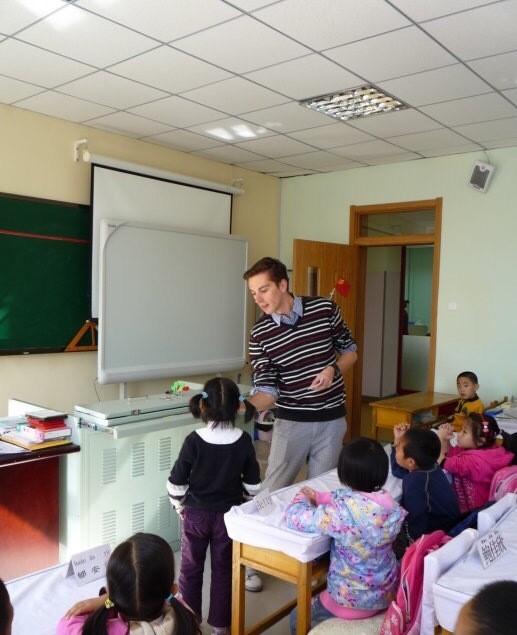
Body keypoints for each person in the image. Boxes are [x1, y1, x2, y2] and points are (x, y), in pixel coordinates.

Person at [243, 257, 357, 492]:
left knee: (321, 492)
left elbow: (350, 352)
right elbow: (268, 391)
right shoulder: (259, 334)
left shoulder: (325, 309)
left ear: (283, 285)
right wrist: (243, 407)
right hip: (291, 422)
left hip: (331, 420)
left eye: (263, 290)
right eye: (253, 293)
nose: (258, 299)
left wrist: (333, 369)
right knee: (272, 491)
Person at [167, 377, 260, 635]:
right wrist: (243, 507)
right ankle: (220, 627)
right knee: (223, 571)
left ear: (203, 406)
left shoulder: (193, 440)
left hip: (195, 515)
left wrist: (180, 508)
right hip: (228, 518)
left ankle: (189, 624)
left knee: (190, 569)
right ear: (238, 407)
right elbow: (253, 486)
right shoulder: (243, 440)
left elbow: (176, 483)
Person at [285, 438, 406, 633]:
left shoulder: (343, 514)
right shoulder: (389, 504)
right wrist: (321, 497)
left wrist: (302, 498)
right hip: (385, 592)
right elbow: (350, 498)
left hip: (350, 600)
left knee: (296, 617)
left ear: (344, 475)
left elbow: (297, 518)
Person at [57, 532, 201, 635]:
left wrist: (105, 601)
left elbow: (65, 624)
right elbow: (177, 602)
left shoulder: (108, 630)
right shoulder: (186, 620)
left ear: (112, 592)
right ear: (173, 589)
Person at [391, 425, 459, 550]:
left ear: (411, 462)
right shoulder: (431, 465)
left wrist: (412, 544)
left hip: (436, 537)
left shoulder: (415, 482)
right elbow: (398, 470)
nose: (396, 449)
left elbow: (415, 518)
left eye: (398, 448)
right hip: (448, 525)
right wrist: (397, 441)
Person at [437, 413, 514, 514]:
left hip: (474, 512)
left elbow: (442, 461)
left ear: (480, 441)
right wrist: (446, 440)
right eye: (461, 429)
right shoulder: (485, 448)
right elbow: (450, 455)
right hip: (474, 506)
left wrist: (440, 438)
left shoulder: (475, 461)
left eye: (464, 432)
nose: (458, 434)